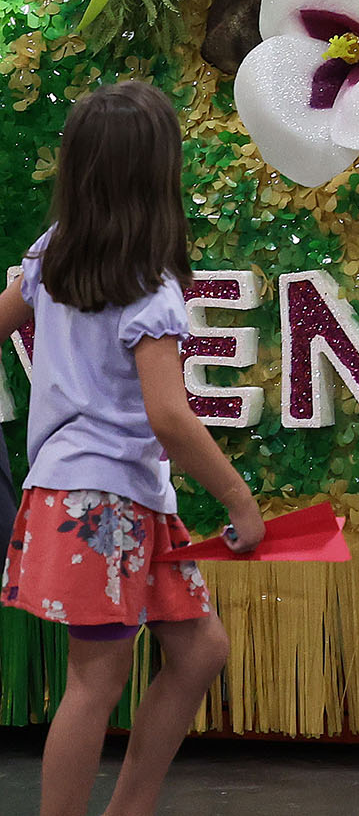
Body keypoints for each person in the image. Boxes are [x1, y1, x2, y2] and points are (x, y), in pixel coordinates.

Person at [0, 82, 264, 816]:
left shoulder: (53, 255)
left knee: (200, 651)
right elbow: (169, 418)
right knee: (95, 681)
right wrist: (239, 498)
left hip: (97, 496)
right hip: (104, 500)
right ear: (160, 175)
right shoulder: (151, 293)